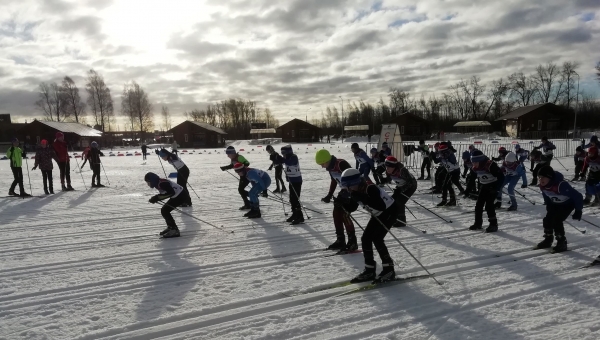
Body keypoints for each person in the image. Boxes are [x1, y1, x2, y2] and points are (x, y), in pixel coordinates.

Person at [337, 168, 397, 283]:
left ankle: (389, 269)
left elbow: (380, 206)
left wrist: (363, 198)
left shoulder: (370, 188)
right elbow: (353, 207)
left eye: (349, 186)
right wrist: (343, 205)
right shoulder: (355, 191)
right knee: (365, 239)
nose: (348, 189)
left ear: (355, 182)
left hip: (390, 211)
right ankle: (369, 270)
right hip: (378, 214)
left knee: (377, 238)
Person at [316, 149, 357, 251]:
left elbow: (353, 179)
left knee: (344, 215)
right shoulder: (330, 167)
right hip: (343, 191)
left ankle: (353, 241)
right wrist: (329, 195)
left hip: (352, 191)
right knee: (336, 214)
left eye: (322, 163)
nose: (321, 166)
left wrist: (349, 195)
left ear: (327, 160)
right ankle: (340, 240)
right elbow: (334, 180)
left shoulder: (341, 164)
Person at [536, 166, 583, 252]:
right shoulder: (542, 185)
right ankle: (548, 239)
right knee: (547, 220)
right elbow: (546, 195)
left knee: (557, 221)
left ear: (549, 177)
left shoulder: (561, 185)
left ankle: (562, 242)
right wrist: (548, 204)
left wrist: (578, 210)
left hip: (567, 204)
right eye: (539, 177)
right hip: (555, 204)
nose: (540, 179)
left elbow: (578, 196)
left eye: (543, 177)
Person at [470, 150, 504, 232]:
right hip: (484, 185)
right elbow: (473, 178)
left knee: (489, 205)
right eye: (472, 162)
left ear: (480, 160)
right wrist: (468, 190)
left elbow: (501, 177)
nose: (474, 164)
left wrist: (496, 189)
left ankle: (493, 224)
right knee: (478, 205)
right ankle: (478, 223)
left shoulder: (490, 165)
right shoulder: (475, 168)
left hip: (493, 185)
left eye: (475, 162)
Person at [145, 172, 184, 238]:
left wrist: (157, 198)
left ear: (152, 180)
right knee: (164, 210)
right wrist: (156, 198)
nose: (148, 184)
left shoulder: (162, 183)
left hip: (181, 195)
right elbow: (166, 193)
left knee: (165, 210)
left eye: (148, 182)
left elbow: (171, 193)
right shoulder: (159, 183)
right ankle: (171, 227)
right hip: (177, 195)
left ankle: (174, 230)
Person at [384, 156, 417, 227]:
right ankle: (394, 218)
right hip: (401, 186)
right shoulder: (388, 170)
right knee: (392, 201)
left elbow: (410, 183)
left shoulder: (402, 171)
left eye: (389, 167)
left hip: (411, 186)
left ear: (394, 166)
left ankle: (402, 221)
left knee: (400, 202)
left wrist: (401, 189)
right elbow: (389, 178)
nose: (387, 169)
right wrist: (385, 180)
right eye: (386, 167)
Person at [282, 145, 304, 224]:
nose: (283, 154)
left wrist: (281, 160)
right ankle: (295, 214)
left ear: (288, 152)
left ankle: (300, 216)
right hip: (292, 181)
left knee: (295, 199)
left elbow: (290, 163)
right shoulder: (286, 158)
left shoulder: (294, 157)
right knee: (292, 199)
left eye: (284, 153)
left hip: (297, 181)